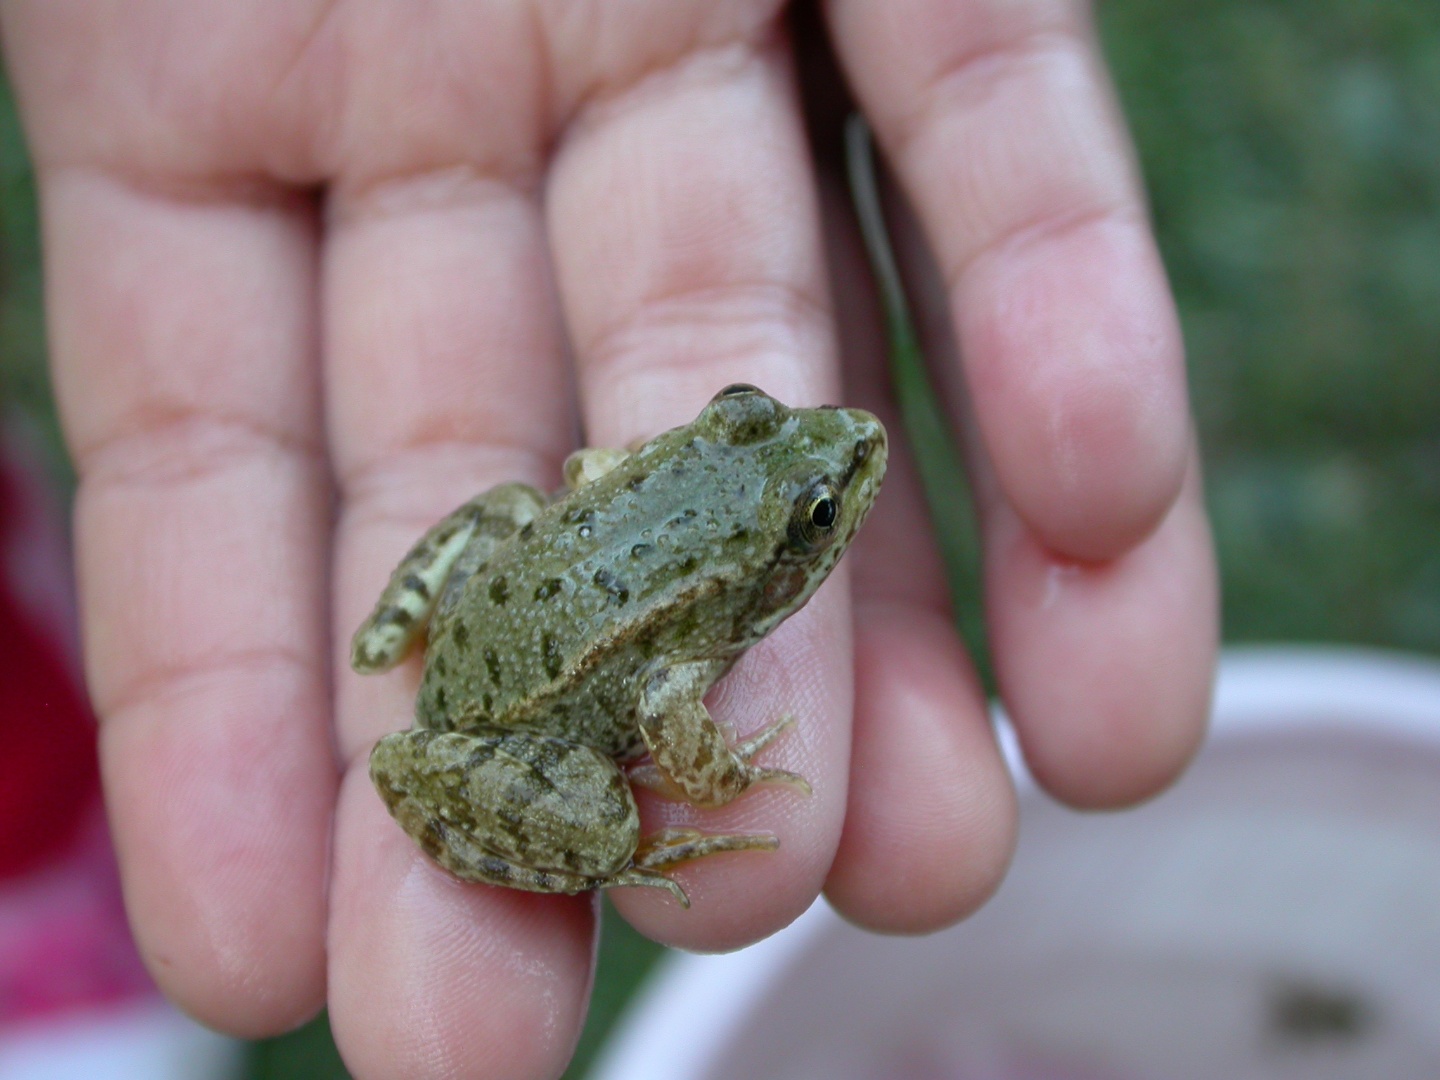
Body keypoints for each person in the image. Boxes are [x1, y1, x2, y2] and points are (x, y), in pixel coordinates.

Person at [0, 2, 1218, 1076]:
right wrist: (724, 781)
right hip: (517, 718)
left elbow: (591, 482)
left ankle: (393, 634)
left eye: (806, 501)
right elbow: (673, 731)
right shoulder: (697, 633)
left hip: (502, 606)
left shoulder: (653, 483)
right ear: (769, 553)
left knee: (524, 511)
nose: (834, 444)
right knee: (610, 820)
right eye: (813, 516)